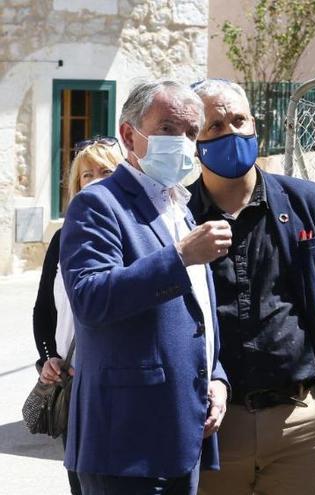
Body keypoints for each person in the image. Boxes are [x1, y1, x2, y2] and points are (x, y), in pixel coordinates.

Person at [59, 80, 232, 495]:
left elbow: (198, 312)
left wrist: (218, 377)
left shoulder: (180, 207)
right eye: (169, 129)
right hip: (125, 443)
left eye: (192, 133)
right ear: (128, 135)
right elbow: (90, 297)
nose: (184, 143)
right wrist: (179, 257)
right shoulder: (98, 204)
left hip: (181, 432)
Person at [187, 79, 315, 495]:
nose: (230, 133)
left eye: (239, 120)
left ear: (255, 125)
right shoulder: (179, 216)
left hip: (302, 422)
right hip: (211, 428)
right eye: (214, 126)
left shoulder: (307, 202)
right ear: (195, 139)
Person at [32, 137, 122, 495]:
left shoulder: (135, 233)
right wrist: (47, 356)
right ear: (77, 185)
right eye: (87, 175)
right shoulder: (62, 237)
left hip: (120, 381)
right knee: (82, 482)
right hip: (75, 383)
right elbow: (44, 308)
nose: (96, 180)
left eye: (106, 172)